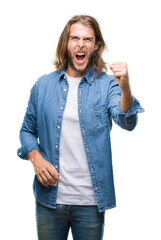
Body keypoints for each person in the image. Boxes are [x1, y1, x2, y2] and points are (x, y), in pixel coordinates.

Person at [17, 15, 144, 240]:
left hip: (90, 203)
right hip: (49, 201)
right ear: (66, 43)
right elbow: (27, 130)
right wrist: (36, 158)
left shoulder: (108, 85)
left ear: (96, 46)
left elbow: (127, 121)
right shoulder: (43, 85)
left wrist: (125, 87)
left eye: (87, 39)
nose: (80, 44)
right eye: (74, 38)